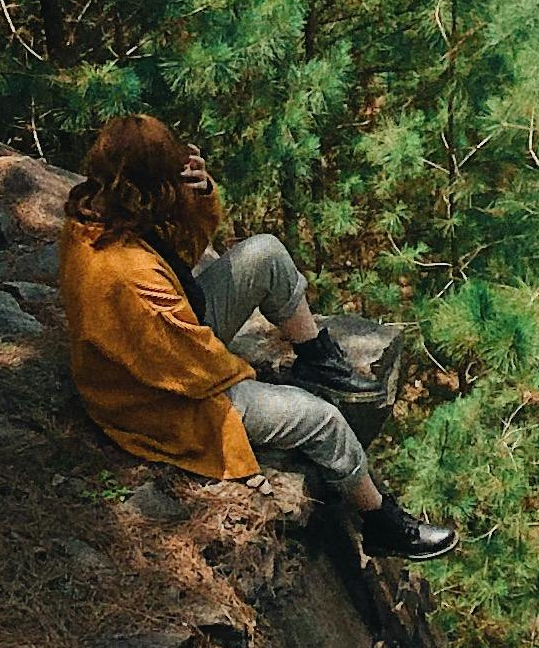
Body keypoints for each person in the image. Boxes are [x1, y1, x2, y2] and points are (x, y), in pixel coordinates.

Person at [58, 114, 454, 563]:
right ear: (153, 188)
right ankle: (382, 523)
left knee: (264, 252)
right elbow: (193, 367)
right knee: (320, 418)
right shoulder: (125, 273)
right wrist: (261, 383)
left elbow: (182, 255)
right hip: (157, 400)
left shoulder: (102, 209)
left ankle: (315, 355)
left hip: (170, 349)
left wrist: (200, 194)